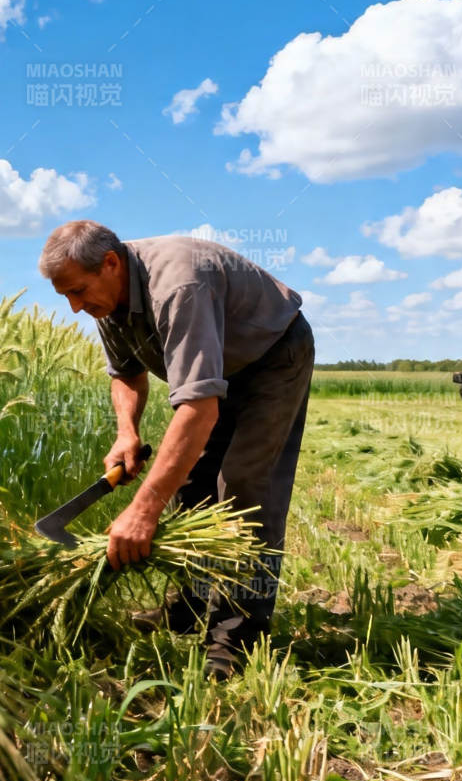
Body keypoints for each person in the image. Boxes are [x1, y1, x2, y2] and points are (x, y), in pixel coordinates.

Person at [38, 220, 314, 678]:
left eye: (79, 291)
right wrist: (127, 431)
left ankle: (236, 638)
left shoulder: (178, 285)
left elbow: (199, 408)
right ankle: (191, 606)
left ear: (110, 264)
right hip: (221, 366)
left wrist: (144, 509)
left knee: (244, 488)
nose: (74, 307)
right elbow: (126, 373)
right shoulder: (106, 301)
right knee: (191, 486)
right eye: (65, 295)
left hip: (270, 357)